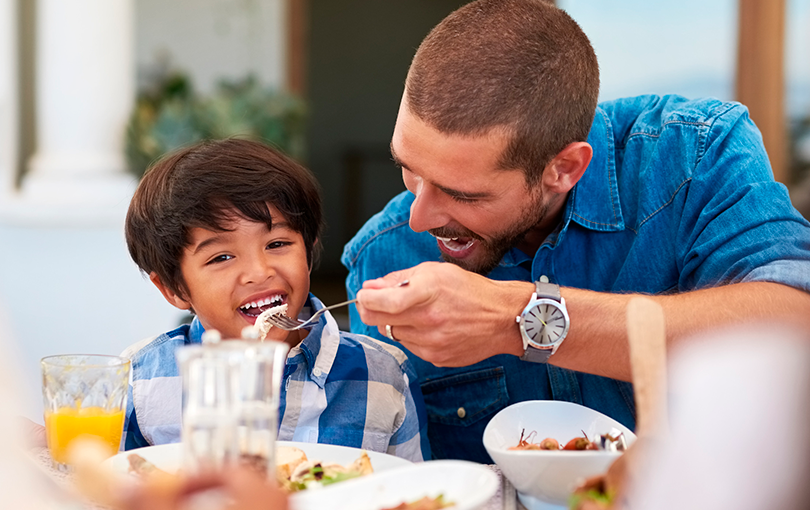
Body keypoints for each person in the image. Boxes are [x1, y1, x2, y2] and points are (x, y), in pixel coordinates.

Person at [341, 0, 810, 462]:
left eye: (462, 195)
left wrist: (519, 319)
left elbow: (794, 326)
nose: (419, 219)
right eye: (409, 170)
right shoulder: (382, 257)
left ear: (564, 168)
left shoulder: (694, 157)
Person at [123, 138, 429, 461]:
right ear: (173, 288)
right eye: (222, 257)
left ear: (309, 252)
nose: (258, 272)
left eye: (277, 244)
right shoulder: (142, 382)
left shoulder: (385, 376)